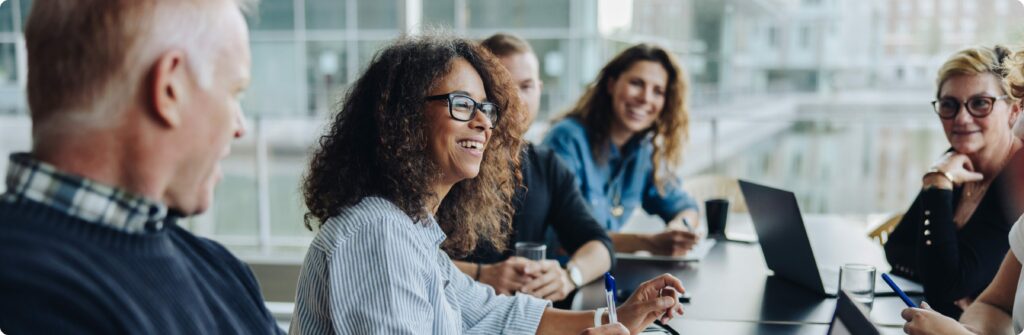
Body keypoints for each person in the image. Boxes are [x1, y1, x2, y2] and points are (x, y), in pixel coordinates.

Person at [292, 33, 685, 334]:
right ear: (404, 118)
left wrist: (617, 316)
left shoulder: (411, 230)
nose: (484, 122)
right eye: (462, 104)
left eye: (485, 108)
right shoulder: (377, 234)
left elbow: (493, 314)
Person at [0, 0, 282, 333]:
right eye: (235, 92)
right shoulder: (28, 294)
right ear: (169, 88)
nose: (240, 126)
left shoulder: (222, 270)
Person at [450, 33, 613, 304]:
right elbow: (410, 254)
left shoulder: (546, 165)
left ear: (539, 89)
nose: (514, 100)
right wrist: (481, 275)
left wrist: (569, 275)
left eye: (525, 87)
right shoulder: (454, 159)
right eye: (501, 88)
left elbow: (600, 244)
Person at [885, 45, 1024, 318]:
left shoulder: (1016, 180)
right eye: (949, 104)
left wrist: (937, 185)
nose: (961, 118)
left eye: (980, 103)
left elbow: (944, 286)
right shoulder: (955, 162)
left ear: (1013, 111)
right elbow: (895, 249)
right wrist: (944, 273)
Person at [542, 44, 701, 257]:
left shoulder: (644, 150)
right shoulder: (567, 139)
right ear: (611, 85)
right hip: (560, 277)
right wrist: (649, 243)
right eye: (636, 83)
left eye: (658, 91)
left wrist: (680, 228)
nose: (646, 98)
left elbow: (685, 206)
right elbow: (567, 237)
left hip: (603, 273)